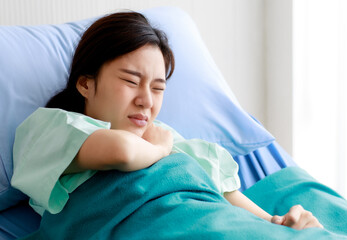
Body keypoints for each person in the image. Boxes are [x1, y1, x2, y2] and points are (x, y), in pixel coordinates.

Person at [11, 11, 322, 232]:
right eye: (131, 81)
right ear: (85, 84)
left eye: (158, 88)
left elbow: (225, 199)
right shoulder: (53, 128)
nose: (147, 100)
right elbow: (123, 152)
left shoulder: (167, 138)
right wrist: (159, 150)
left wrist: (281, 224)